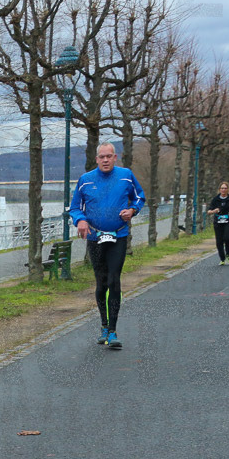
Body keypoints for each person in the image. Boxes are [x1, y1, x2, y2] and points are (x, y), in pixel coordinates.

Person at [69, 142, 146, 350]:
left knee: (114, 279)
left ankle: (113, 331)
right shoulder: (86, 180)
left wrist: (132, 210)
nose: (105, 160)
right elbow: (75, 207)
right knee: (101, 282)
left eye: (109, 156)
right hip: (95, 238)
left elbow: (140, 197)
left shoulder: (126, 175)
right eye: (101, 156)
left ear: (115, 158)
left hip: (118, 235)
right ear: (96, 159)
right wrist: (80, 220)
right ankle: (103, 326)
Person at [207, 182, 229, 265]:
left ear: (228, 189)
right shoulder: (215, 199)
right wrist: (214, 211)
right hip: (218, 222)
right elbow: (209, 211)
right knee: (219, 241)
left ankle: (228, 254)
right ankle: (222, 258)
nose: (223, 190)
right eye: (222, 188)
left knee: (227, 238)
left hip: (228, 220)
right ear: (219, 189)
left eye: (225, 188)